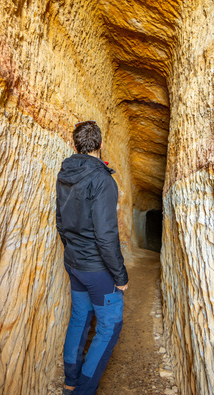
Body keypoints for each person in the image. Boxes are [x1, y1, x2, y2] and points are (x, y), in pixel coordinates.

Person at [56, 120, 129, 395]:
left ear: (75, 146)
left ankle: (70, 381)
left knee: (79, 318)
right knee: (109, 325)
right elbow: (106, 236)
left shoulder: (64, 173)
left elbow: (60, 222)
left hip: (74, 263)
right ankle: (83, 390)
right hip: (97, 270)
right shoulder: (102, 180)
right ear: (100, 145)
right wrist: (120, 276)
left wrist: (73, 252)